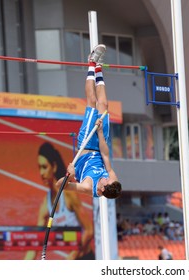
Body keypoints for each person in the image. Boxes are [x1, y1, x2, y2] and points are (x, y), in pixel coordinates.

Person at [57, 44, 122, 199]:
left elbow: (59, 186)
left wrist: (70, 176)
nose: (107, 178)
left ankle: (91, 63)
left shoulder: (87, 187)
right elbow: (106, 156)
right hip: (100, 143)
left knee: (91, 102)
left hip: (86, 143)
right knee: (104, 105)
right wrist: (100, 133)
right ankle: (98, 68)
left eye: (105, 182)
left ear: (100, 191)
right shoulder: (112, 182)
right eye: (109, 179)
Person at [25, 142, 94, 260]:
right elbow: (35, 243)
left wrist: (72, 256)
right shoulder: (45, 206)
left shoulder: (68, 195)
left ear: (54, 167)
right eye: (39, 168)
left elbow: (89, 230)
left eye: (44, 167)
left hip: (85, 258)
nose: (41, 173)